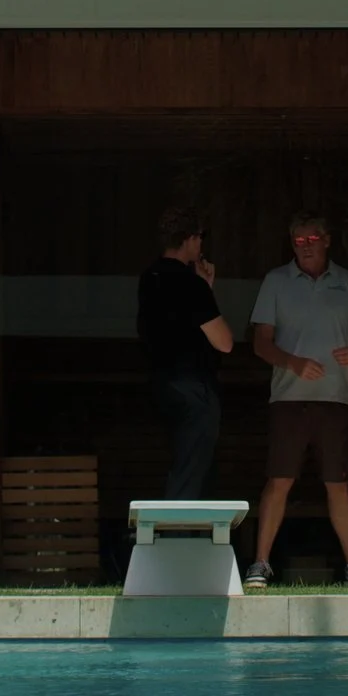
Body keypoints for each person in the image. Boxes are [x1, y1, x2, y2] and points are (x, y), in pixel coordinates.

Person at [243, 212, 348, 589]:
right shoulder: (276, 281)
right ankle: (260, 564)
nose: (304, 248)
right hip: (289, 400)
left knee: (338, 482)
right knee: (279, 480)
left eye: (311, 240)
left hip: (337, 399)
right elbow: (260, 342)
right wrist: (292, 362)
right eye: (297, 241)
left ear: (326, 240)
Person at [138, 207, 234, 500]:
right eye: (200, 237)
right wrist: (206, 289)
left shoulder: (149, 278)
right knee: (193, 471)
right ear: (190, 239)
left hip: (161, 383)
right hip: (193, 386)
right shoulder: (189, 284)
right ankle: (181, 539)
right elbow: (224, 342)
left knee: (181, 464)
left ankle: (177, 535)